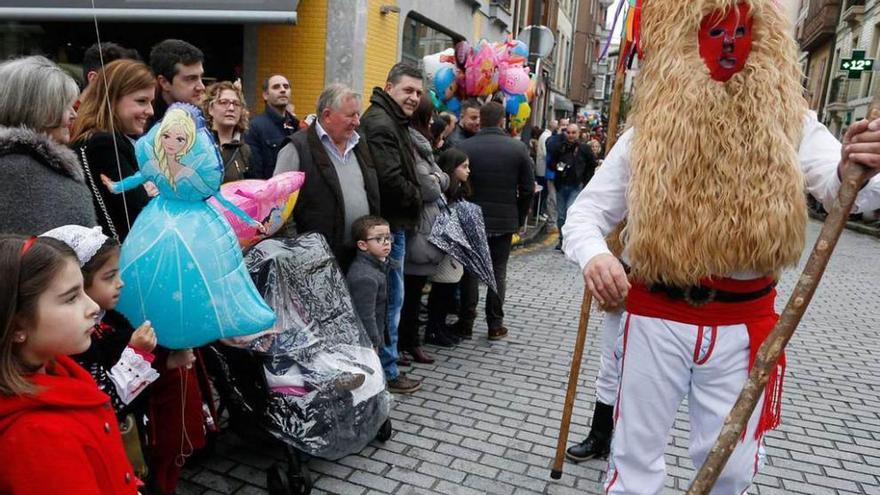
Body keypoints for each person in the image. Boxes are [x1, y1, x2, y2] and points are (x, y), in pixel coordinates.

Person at [562, 1, 880, 493]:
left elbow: (851, 195)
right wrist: (597, 256)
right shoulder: (647, 134)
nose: (729, 44)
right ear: (684, 43)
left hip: (744, 326)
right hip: (654, 318)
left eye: (740, 31)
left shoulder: (792, 122)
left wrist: (857, 165)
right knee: (634, 467)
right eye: (713, 32)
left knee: (730, 469)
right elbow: (583, 215)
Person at [0, 234, 137, 494]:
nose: (93, 307)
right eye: (71, 298)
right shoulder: (37, 440)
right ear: (18, 325)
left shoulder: (57, 369)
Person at [359, 62, 425, 394]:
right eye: (408, 90)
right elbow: (390, 179)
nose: (413, 97)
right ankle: (388, 369)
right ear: (389, 87)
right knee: (389, 300)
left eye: (418, 92)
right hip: (390, 223)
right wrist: (418, 197)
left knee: (391, 298)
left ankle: (390, 358)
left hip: (393, 223)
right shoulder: (382, 122)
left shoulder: (392, 118)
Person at [274, 83, 380, 268]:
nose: (357, 121)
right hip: (315, 261)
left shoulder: (359, 144)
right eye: (350, 115)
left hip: (360, 256)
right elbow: (278, 205)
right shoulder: (297, 148)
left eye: (357, 114)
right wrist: (299, 248)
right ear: (327, 115)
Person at [455, 102, 534, 340]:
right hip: (504, 220)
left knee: (470, 272)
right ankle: (495, 324)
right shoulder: (517, 148)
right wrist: (519, 217)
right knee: (497, 272)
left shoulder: (464, 146)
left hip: (471, 218)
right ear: (502, 121)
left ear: (481, 120)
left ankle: (466, 323)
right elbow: (528, 188)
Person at [0, 56, 97, 235]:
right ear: (37, 109)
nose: (74, 115)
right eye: (65, 106)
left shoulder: (29, 165)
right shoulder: (21, 172)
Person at [71, 59, 155, 241]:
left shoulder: (99, 139)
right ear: (111, 99)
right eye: (142, 101)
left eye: (151, 102)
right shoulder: (105, 144)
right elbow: (140, 213)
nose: (150, 111)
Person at [398, 93, 450, 363]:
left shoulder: (422, 144)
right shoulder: (413, 143)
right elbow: (429, 186)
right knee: (408, 291)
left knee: (414, 290)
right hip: (418, 226)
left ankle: (409, 342)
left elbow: (439, 177)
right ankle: (404, 343)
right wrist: (439, 179)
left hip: (424, 225)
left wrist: (439, 178)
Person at [426, 148, 471, 344]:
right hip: (446, 251)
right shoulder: (444, 194)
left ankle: (440, 328)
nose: (468, 170)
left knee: (448, 291)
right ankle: (434, 330)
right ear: (452, 168)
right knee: (441, 291)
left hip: (456, 249)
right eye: (464, 166)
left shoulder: (460, 191)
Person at [346, 215, 392, 350]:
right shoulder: (365, 278)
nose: (386, 242)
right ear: (362, 245)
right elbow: (366, 316)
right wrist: (374, 343)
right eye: (379, 239)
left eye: (388, 237)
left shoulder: (378, 266)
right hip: (367, 344)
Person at [549, 123, 597, 250]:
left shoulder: (584, 148)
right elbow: (551, 162)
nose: (570, 135)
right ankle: (561, 239)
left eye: (573, 133)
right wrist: (559, 167)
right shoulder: (560, 147)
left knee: (570, 213)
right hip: (561, 184)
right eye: (568, 132)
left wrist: (585, 180)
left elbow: (592, 164)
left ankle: (568, 241)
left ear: (578, 133)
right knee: (561, 216)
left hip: (576, 186)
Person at [246, 74, 300, 179]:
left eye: (286, 86)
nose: (283, 90)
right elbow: (255, 172)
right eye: (276, 87)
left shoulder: (297, 126)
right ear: (265, 95)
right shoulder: (255, 127)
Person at [202, 81, 252, 182]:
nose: (231, 108)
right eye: (223, 102)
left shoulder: (245, 151)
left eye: (236, 104)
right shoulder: (199, 143)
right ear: (210, 108)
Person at [148, 39, 205, 125]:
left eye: (201, 77)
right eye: (191, 79)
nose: (201, 87)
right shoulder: (145, 124)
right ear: (164, 82)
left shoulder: (203, 119)